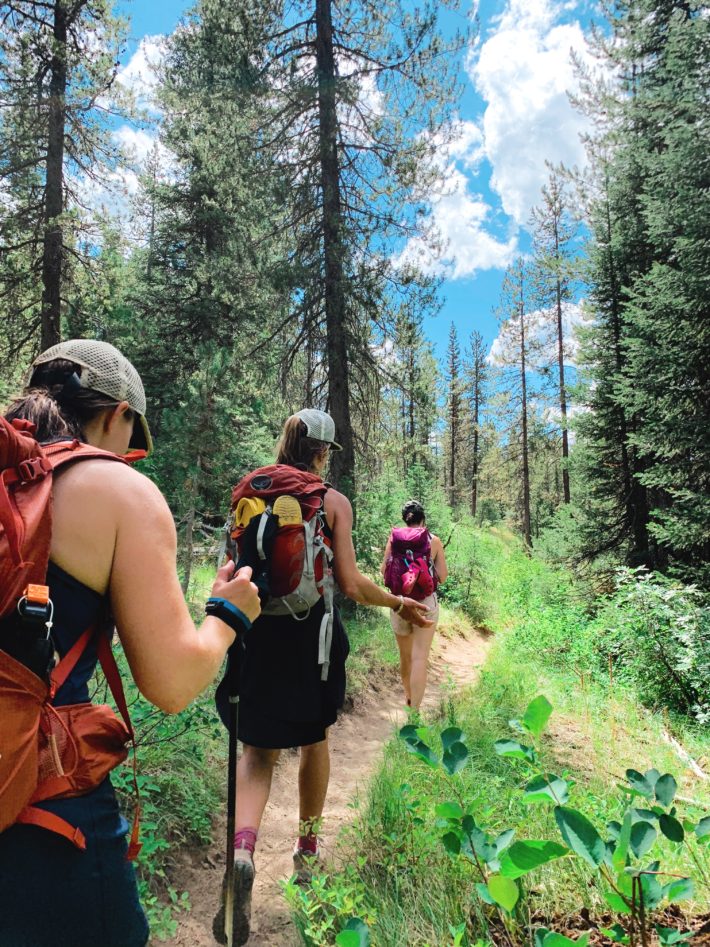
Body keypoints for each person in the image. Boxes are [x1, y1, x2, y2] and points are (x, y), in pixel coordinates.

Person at [0, 339, 261, 947]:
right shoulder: (117, 491)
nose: (129, 457)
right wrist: (226, 615)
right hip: (49, 811)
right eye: (132, 440)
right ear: (118, 414)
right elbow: (170, 684)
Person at [215, 409, 432, 946]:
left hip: (252, 633)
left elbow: (228, 570)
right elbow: (353, 583)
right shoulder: (332, 502)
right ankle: (306, 855)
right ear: (322, 452)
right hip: (311, 637)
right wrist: (400, 601)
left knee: (255, 751)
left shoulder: (248, 491)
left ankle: (243, 850)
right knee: (315, 741)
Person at [382, 500, 448, 711]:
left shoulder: (394, 539)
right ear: (423, 519)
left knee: (406, 657)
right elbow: (443, 576)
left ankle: (409, 698)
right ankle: (414, 714)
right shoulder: (433, 540)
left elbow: (384, 570)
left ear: (405, 519)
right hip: (426, 603)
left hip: (400, 603)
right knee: (420, 657)